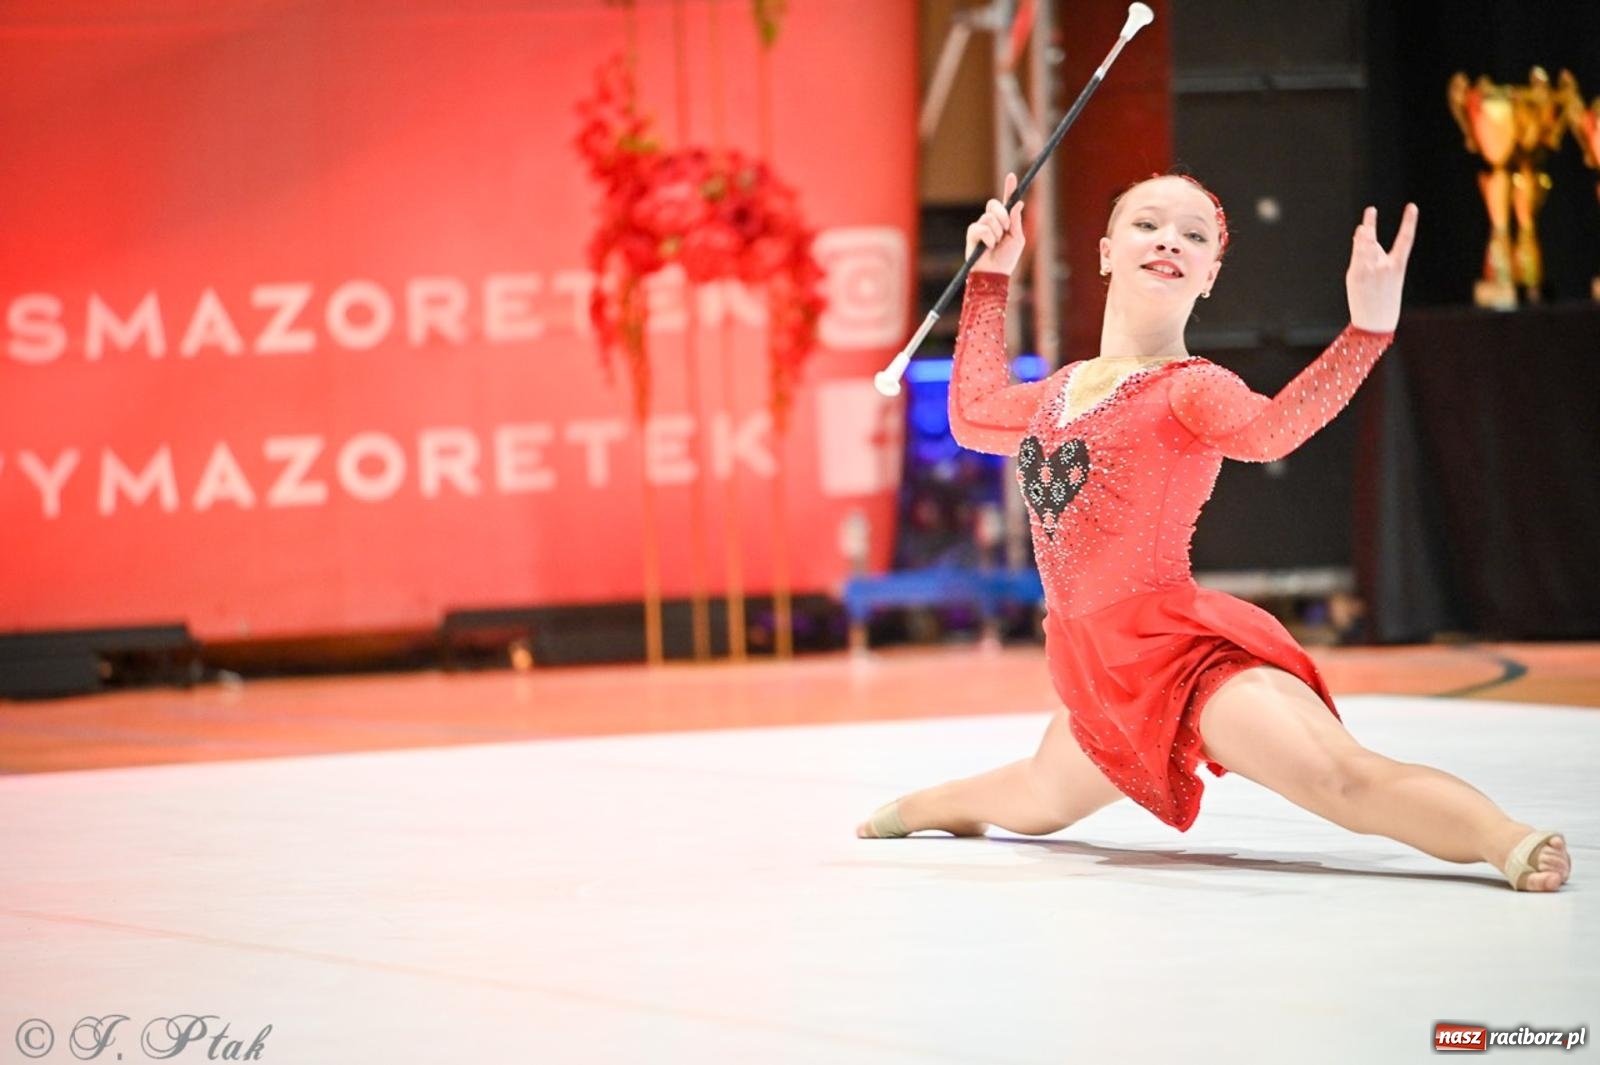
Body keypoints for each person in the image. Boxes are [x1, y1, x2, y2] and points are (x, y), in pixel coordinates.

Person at [857, 171, 1571, 893]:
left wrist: (1367, 334)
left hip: (1176, 656)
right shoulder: (1059, 390)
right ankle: (922, 806)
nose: (1170, 238)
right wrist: (990, 280)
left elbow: (1272, 431)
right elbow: (972, 413)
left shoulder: (1192, 386)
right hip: (1094, 666)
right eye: (1148, 223)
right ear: (1105, 252)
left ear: (1210, 276)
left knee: (1338, 779)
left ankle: (1503, 837)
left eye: (1194, 235)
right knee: (1041, 795)